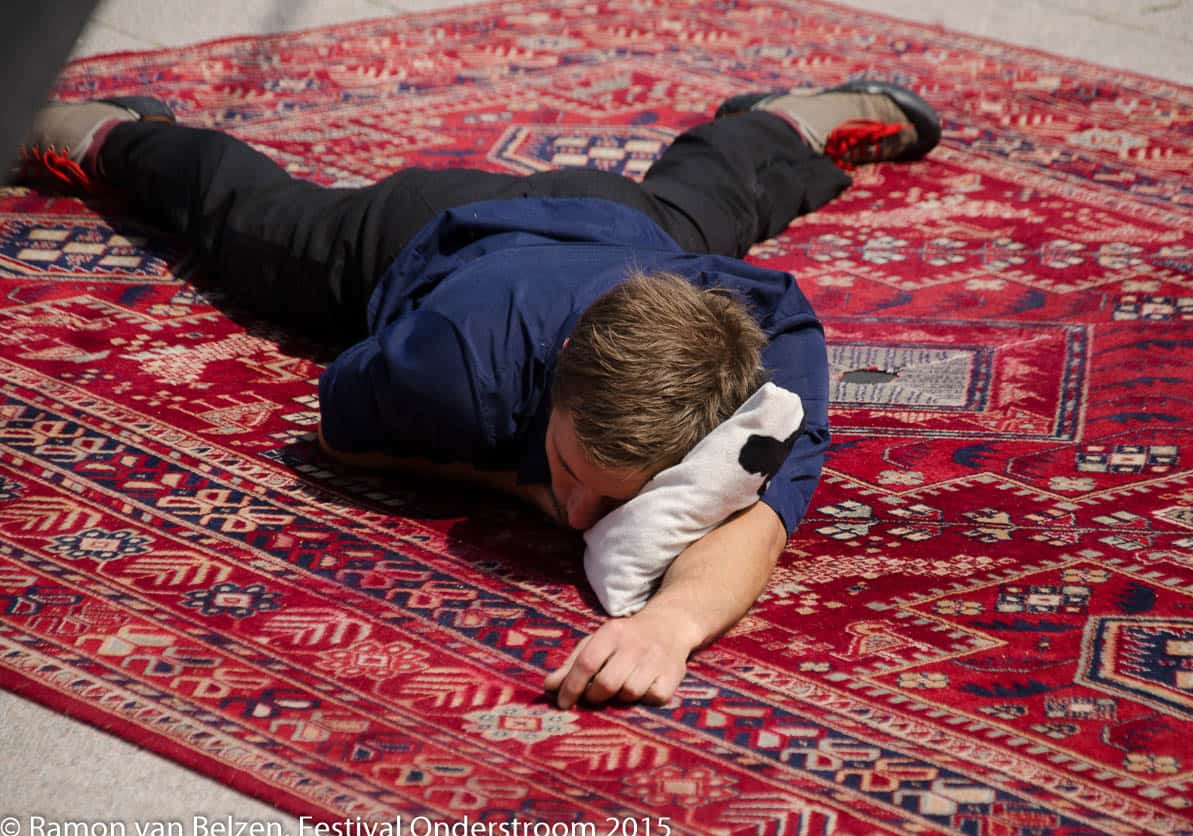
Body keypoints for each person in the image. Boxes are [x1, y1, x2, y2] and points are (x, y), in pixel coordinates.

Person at [20, 80, 941, 708]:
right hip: (428, 233)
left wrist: (670, 626)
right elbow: (339, 432)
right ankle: (113, 133)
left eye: (608, 499)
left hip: (624, 228)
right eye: (571, 468)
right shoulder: (457, 366)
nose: (577, 516)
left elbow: (764, 519)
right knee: (251, 224)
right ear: (558, 378)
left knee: (720, 199)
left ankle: (781, 121)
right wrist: (520, 486)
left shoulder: (771, 338)